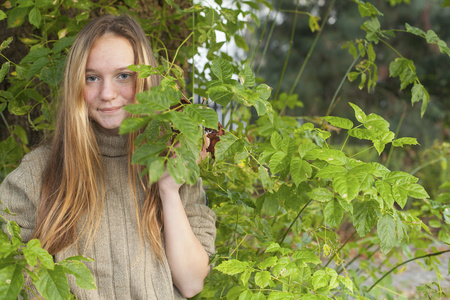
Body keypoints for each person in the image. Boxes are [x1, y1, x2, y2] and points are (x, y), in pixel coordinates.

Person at [0, 15, 216, 299]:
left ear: (145, 80)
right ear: (76, 84)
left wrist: (168, 190)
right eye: (92, 78)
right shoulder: (37, 173)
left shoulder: (173, 161)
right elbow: (14, 280)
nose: (107, 93)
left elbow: (191, 283)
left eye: (123, 76)